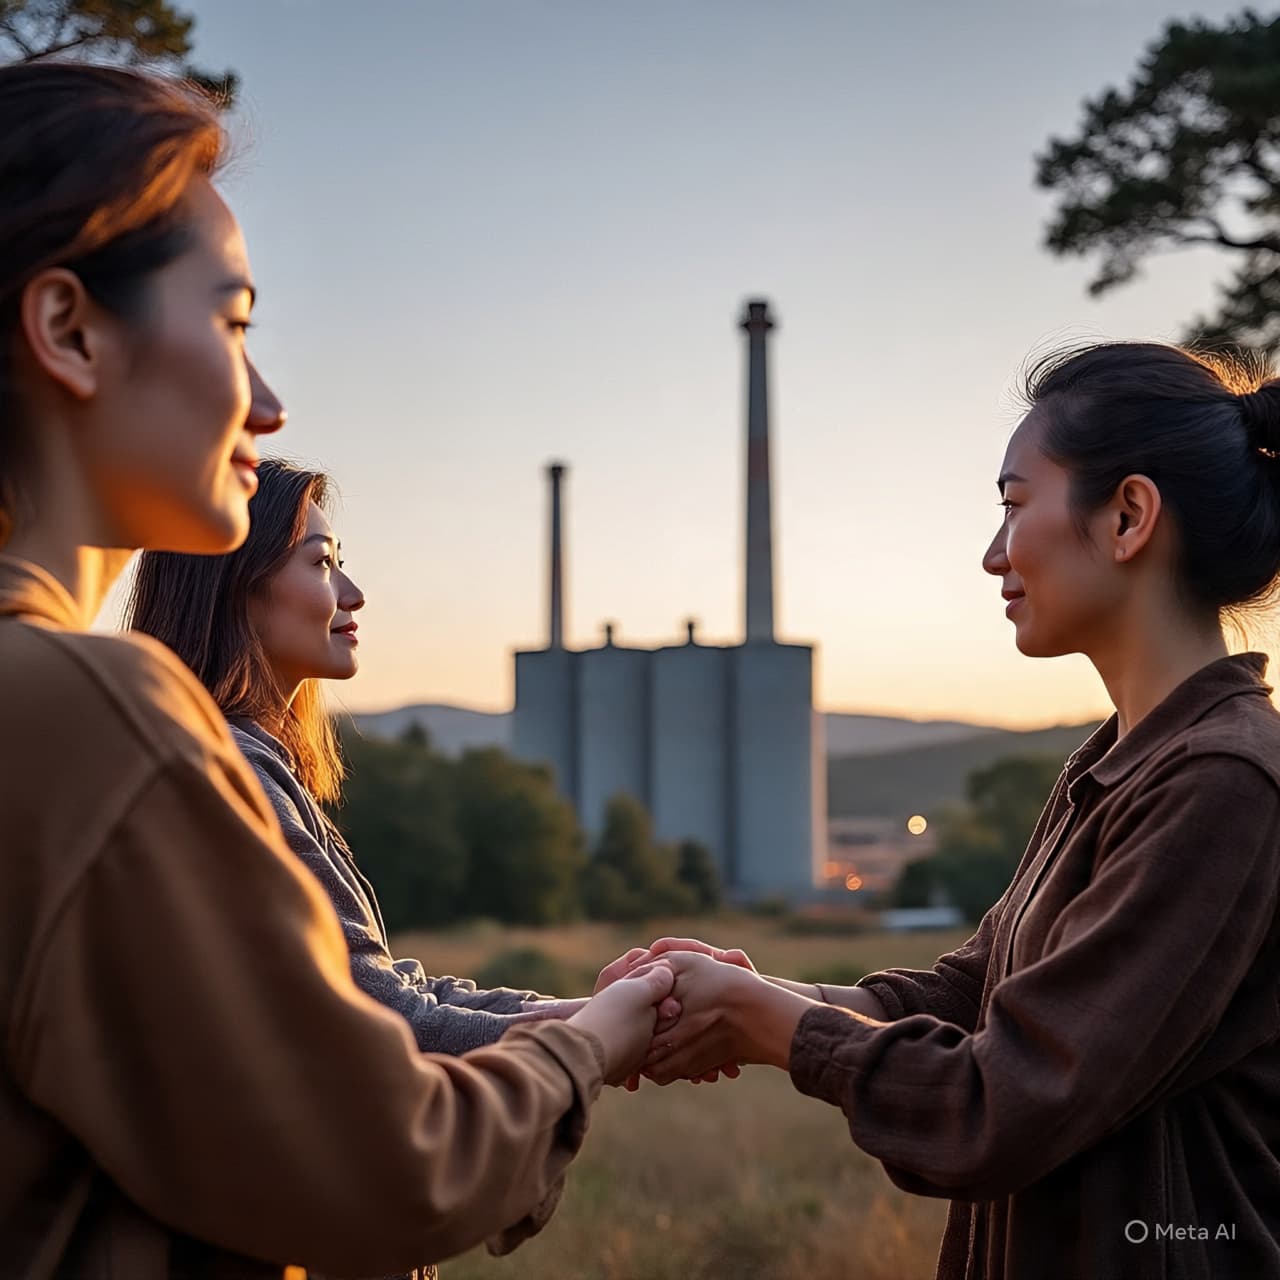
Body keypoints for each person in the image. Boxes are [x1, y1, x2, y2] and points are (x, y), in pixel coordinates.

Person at [0, 61, 673, 1280]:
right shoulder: (86, 712)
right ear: (68, 330)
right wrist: (597, 1036)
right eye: (233, 322)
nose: (267, 401)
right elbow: (391, 1170)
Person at [612, 344, 1280, 1279]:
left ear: (1128, 516)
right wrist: (758, 996)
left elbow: (1002, 1105)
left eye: (1014, 504)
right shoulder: (1123, 763)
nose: (993, 552)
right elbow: (974, 998)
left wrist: (771, 1023)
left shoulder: (1224, 782)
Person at [126, 459, 672, 1050]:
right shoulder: (232, 772)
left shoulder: (245, 763)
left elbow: (397, 993)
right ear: (237, 587)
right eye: (322, 563)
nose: (353, 595)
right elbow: (392, 1025)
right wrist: (606, 1029)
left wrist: (599, 1008)